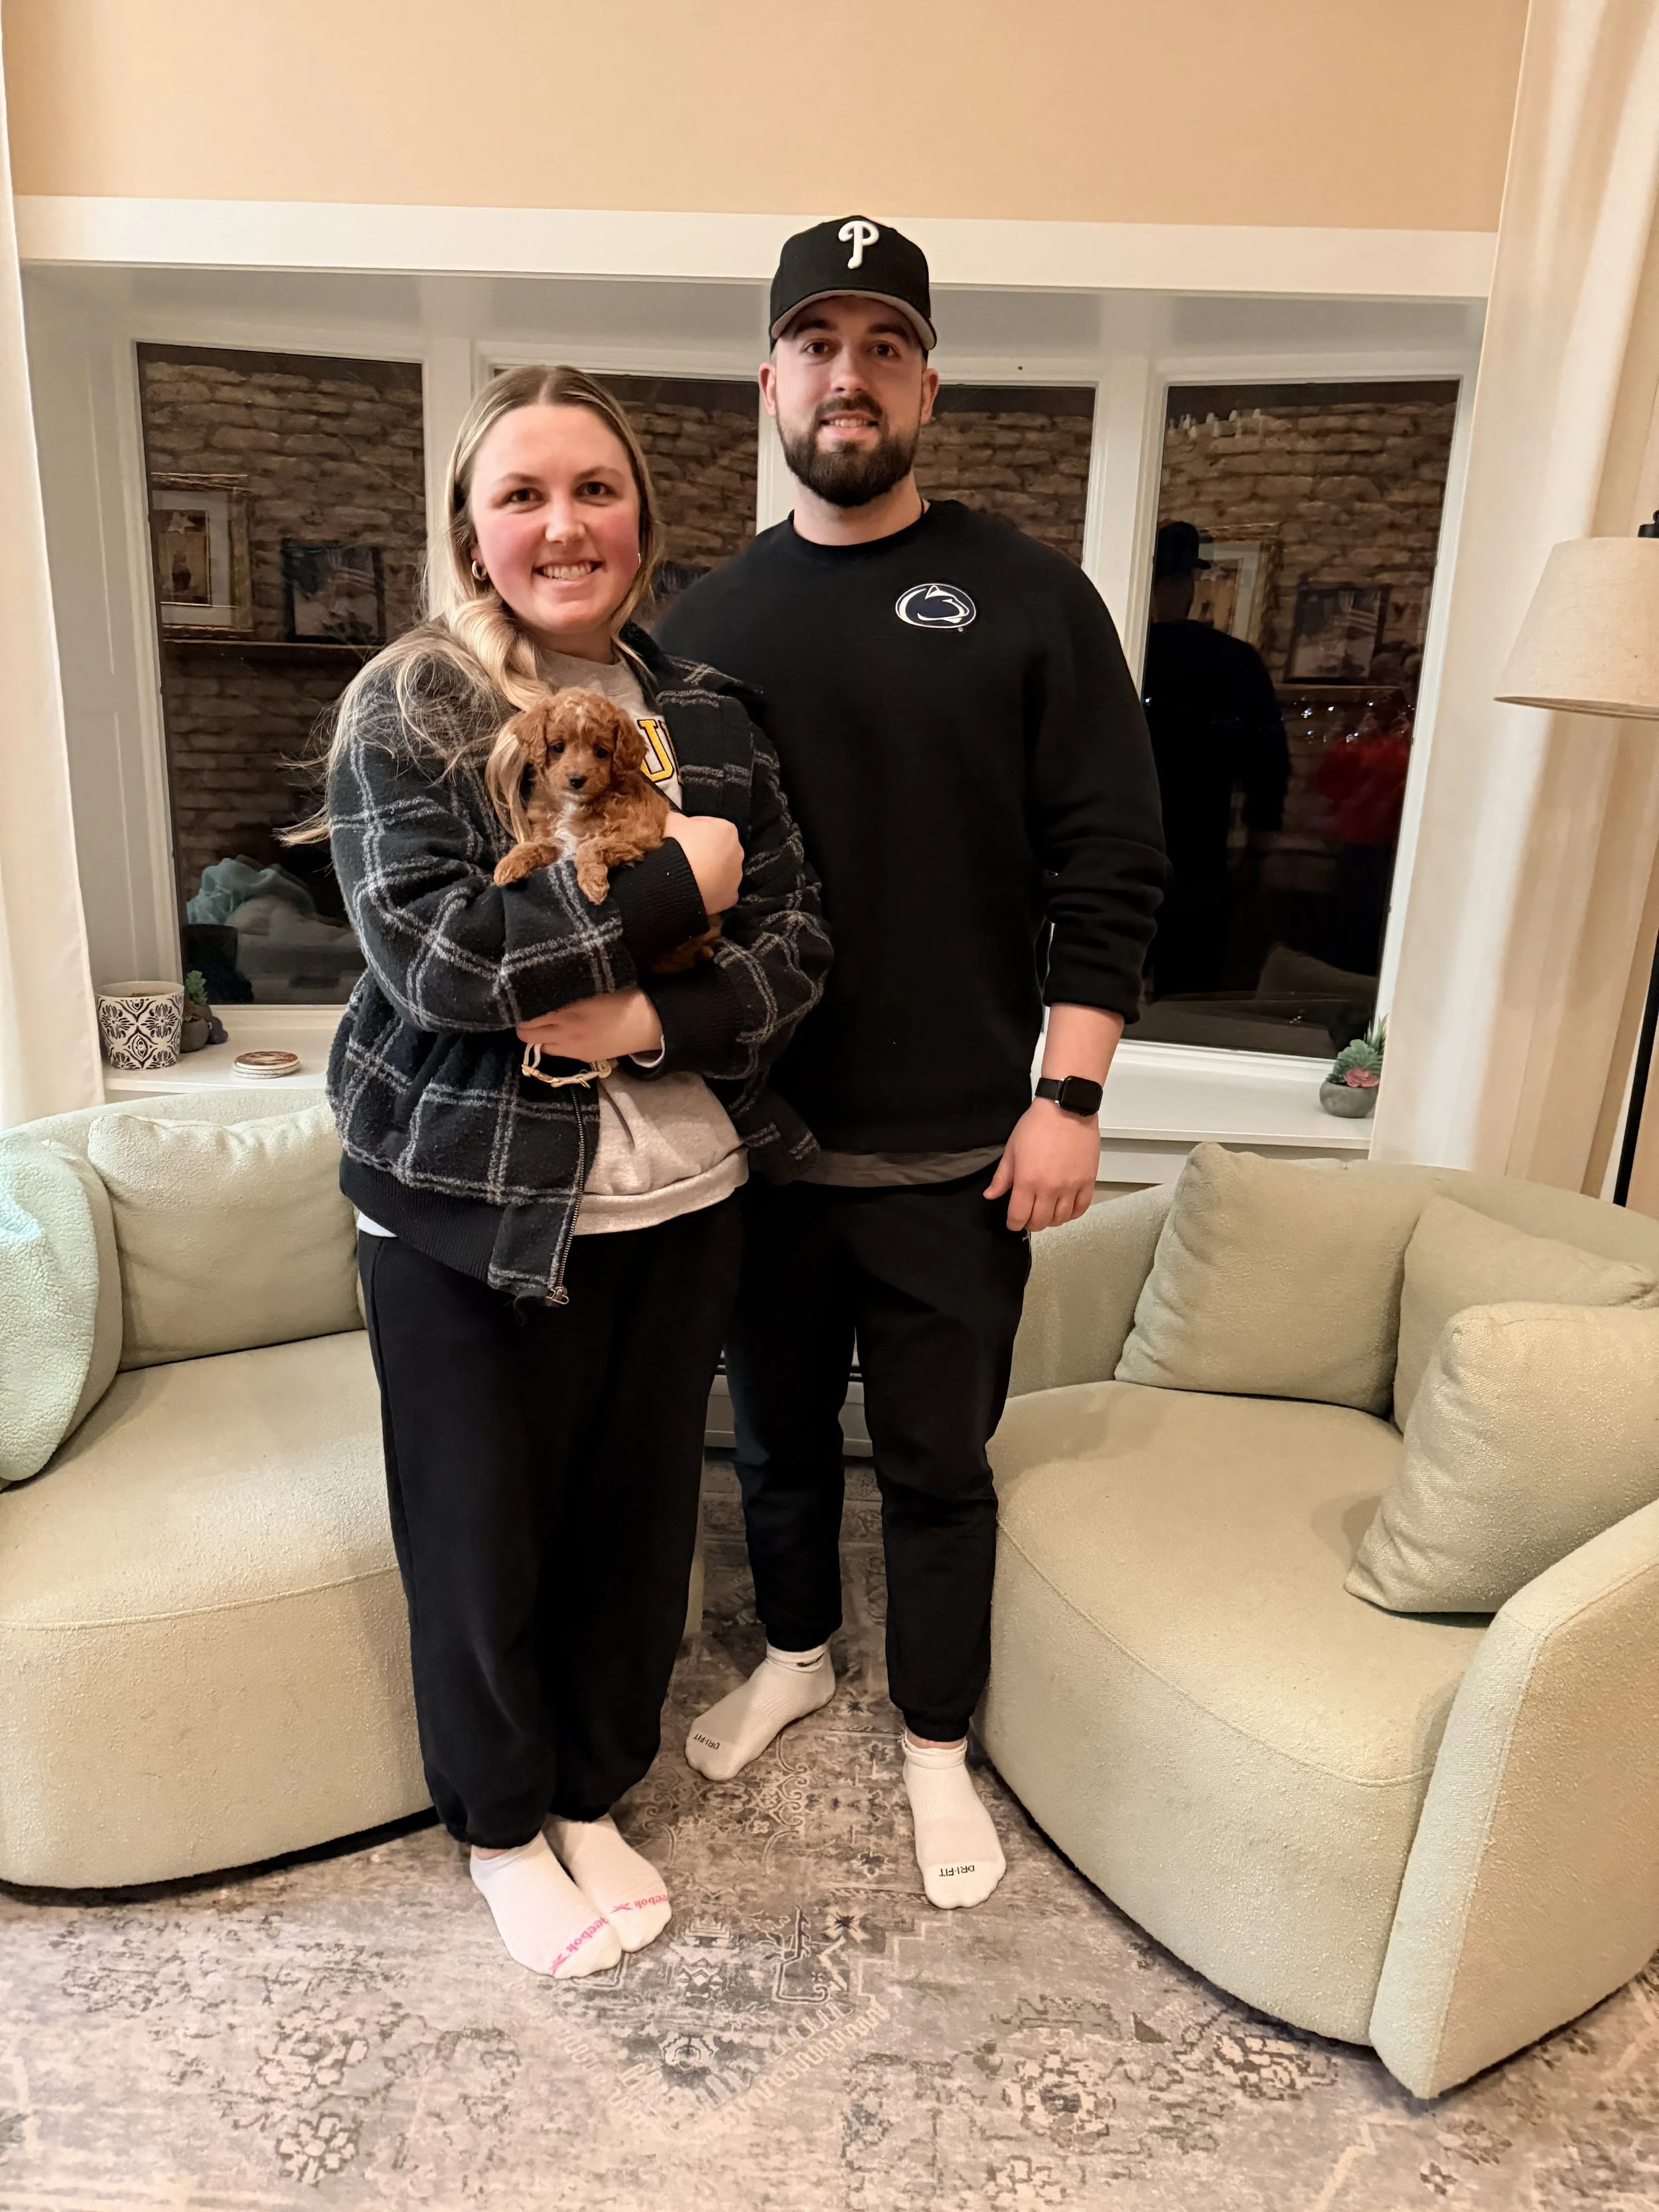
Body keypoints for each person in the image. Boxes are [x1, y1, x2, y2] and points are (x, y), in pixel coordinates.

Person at [656, 218, 1166, 1911]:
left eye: (884, 343)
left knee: (941, 1464)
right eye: (817, 341)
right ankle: (800, 1651)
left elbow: (1113, 866)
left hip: (965, 1153)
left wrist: (1069, 1095)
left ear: (928, 380)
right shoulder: (701, 622)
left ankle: (938, 1737)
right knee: (779, 1445)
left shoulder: (1028, 599)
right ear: (771, 380)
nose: (847, 373)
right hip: (760, 1146)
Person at [309, 365, 830, 1978]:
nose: (561, 523)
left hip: (684, 1199)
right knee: (480, 1535)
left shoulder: (720, 712)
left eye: (593, 488)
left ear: (643, 519)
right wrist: (683, 880)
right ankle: (497, 1823)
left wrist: (636, 1015)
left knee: (632, 1521)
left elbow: (805, 946)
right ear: (473, 531)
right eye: (521, 492)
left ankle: (596, 1789)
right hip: (466, 1199)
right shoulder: (413, 705)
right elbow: (443, 961)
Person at [1139, 520, 1290, 996]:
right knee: (1190, 987)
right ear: (1187, 582)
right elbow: (1268, 760)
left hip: (1118, 840)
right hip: (1196, 843)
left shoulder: (1117, 652)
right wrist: (1258, 849)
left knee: (1100, 978)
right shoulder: (1231, 660)